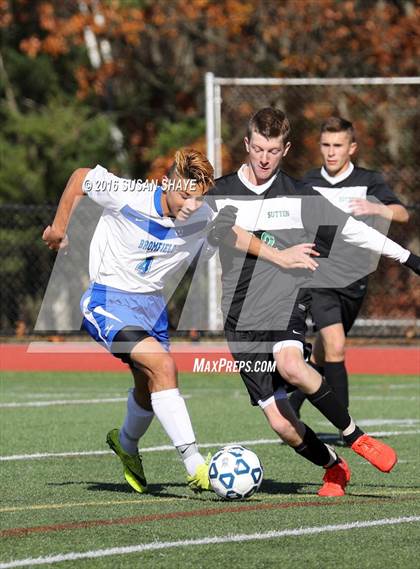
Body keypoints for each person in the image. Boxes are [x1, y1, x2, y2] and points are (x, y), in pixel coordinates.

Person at [42, 147, 319, 495]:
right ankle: (196, 466)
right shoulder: (129, 194)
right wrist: (57, 229)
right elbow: (81, 177)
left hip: (152, 308)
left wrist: (280, 256)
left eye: (198, 198)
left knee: (149, 385)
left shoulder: (201, 214)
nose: (191, 204)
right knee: (163, 366)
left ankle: (126, 443)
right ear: (168, 181)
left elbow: (233, 233)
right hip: (108, 300)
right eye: (185, 195)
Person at [207, 108, 420, 494]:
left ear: (285, 149)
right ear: (246, 145)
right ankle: (333, 466)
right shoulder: (220, 193)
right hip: (240, 317)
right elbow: (226, 235)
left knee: (291, 364)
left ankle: (355, 436)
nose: (264, 159)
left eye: (273, 150)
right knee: (282, 424)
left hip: (286, 298)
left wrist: (409, 259)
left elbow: (355, 232)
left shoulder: (300, 194)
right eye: (257, 149)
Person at [288, 117, 410, 422]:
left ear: (351, 148)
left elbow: (402, 214)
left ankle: (290, 407)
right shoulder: (309, 182)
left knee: (322, 351)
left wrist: (377, 208)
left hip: (355, 281)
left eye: (338, 146)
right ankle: (346, 426)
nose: (331, 152)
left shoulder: (369, 181)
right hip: (319, 276)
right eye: (325, 145)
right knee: (337, 346)